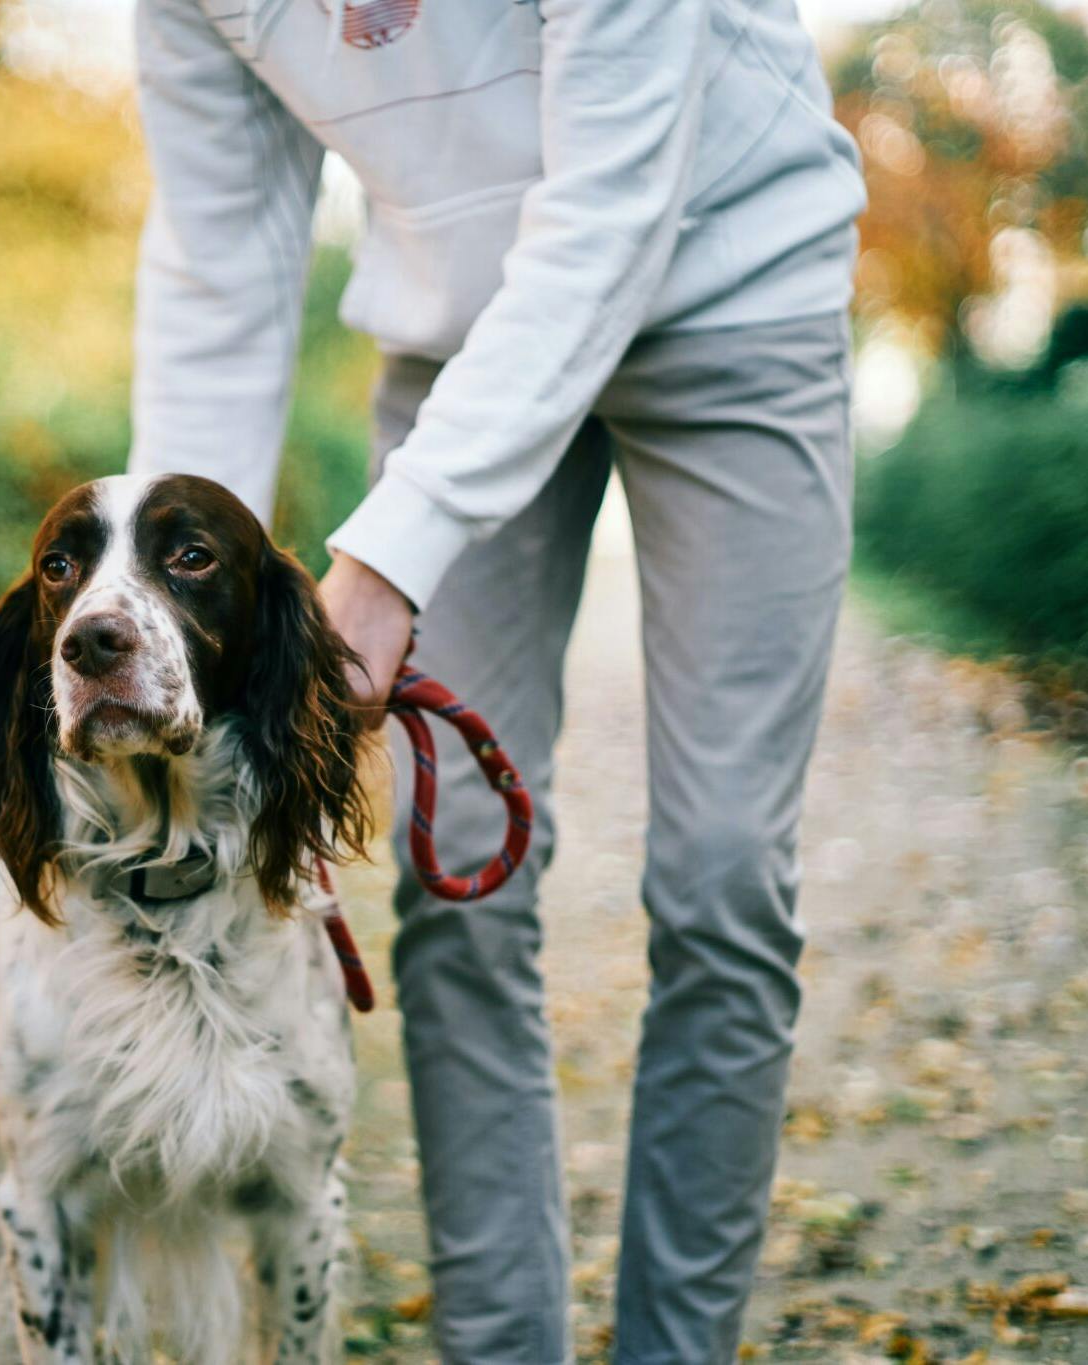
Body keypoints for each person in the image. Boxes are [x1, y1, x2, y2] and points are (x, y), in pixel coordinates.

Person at [123, 0, 866, 1360]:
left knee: (722, 879)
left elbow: (612, 214)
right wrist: (170, 612)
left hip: (731, 290)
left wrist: (388, 560)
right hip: (456, 336)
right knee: (456, 869)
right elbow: (219, 274)